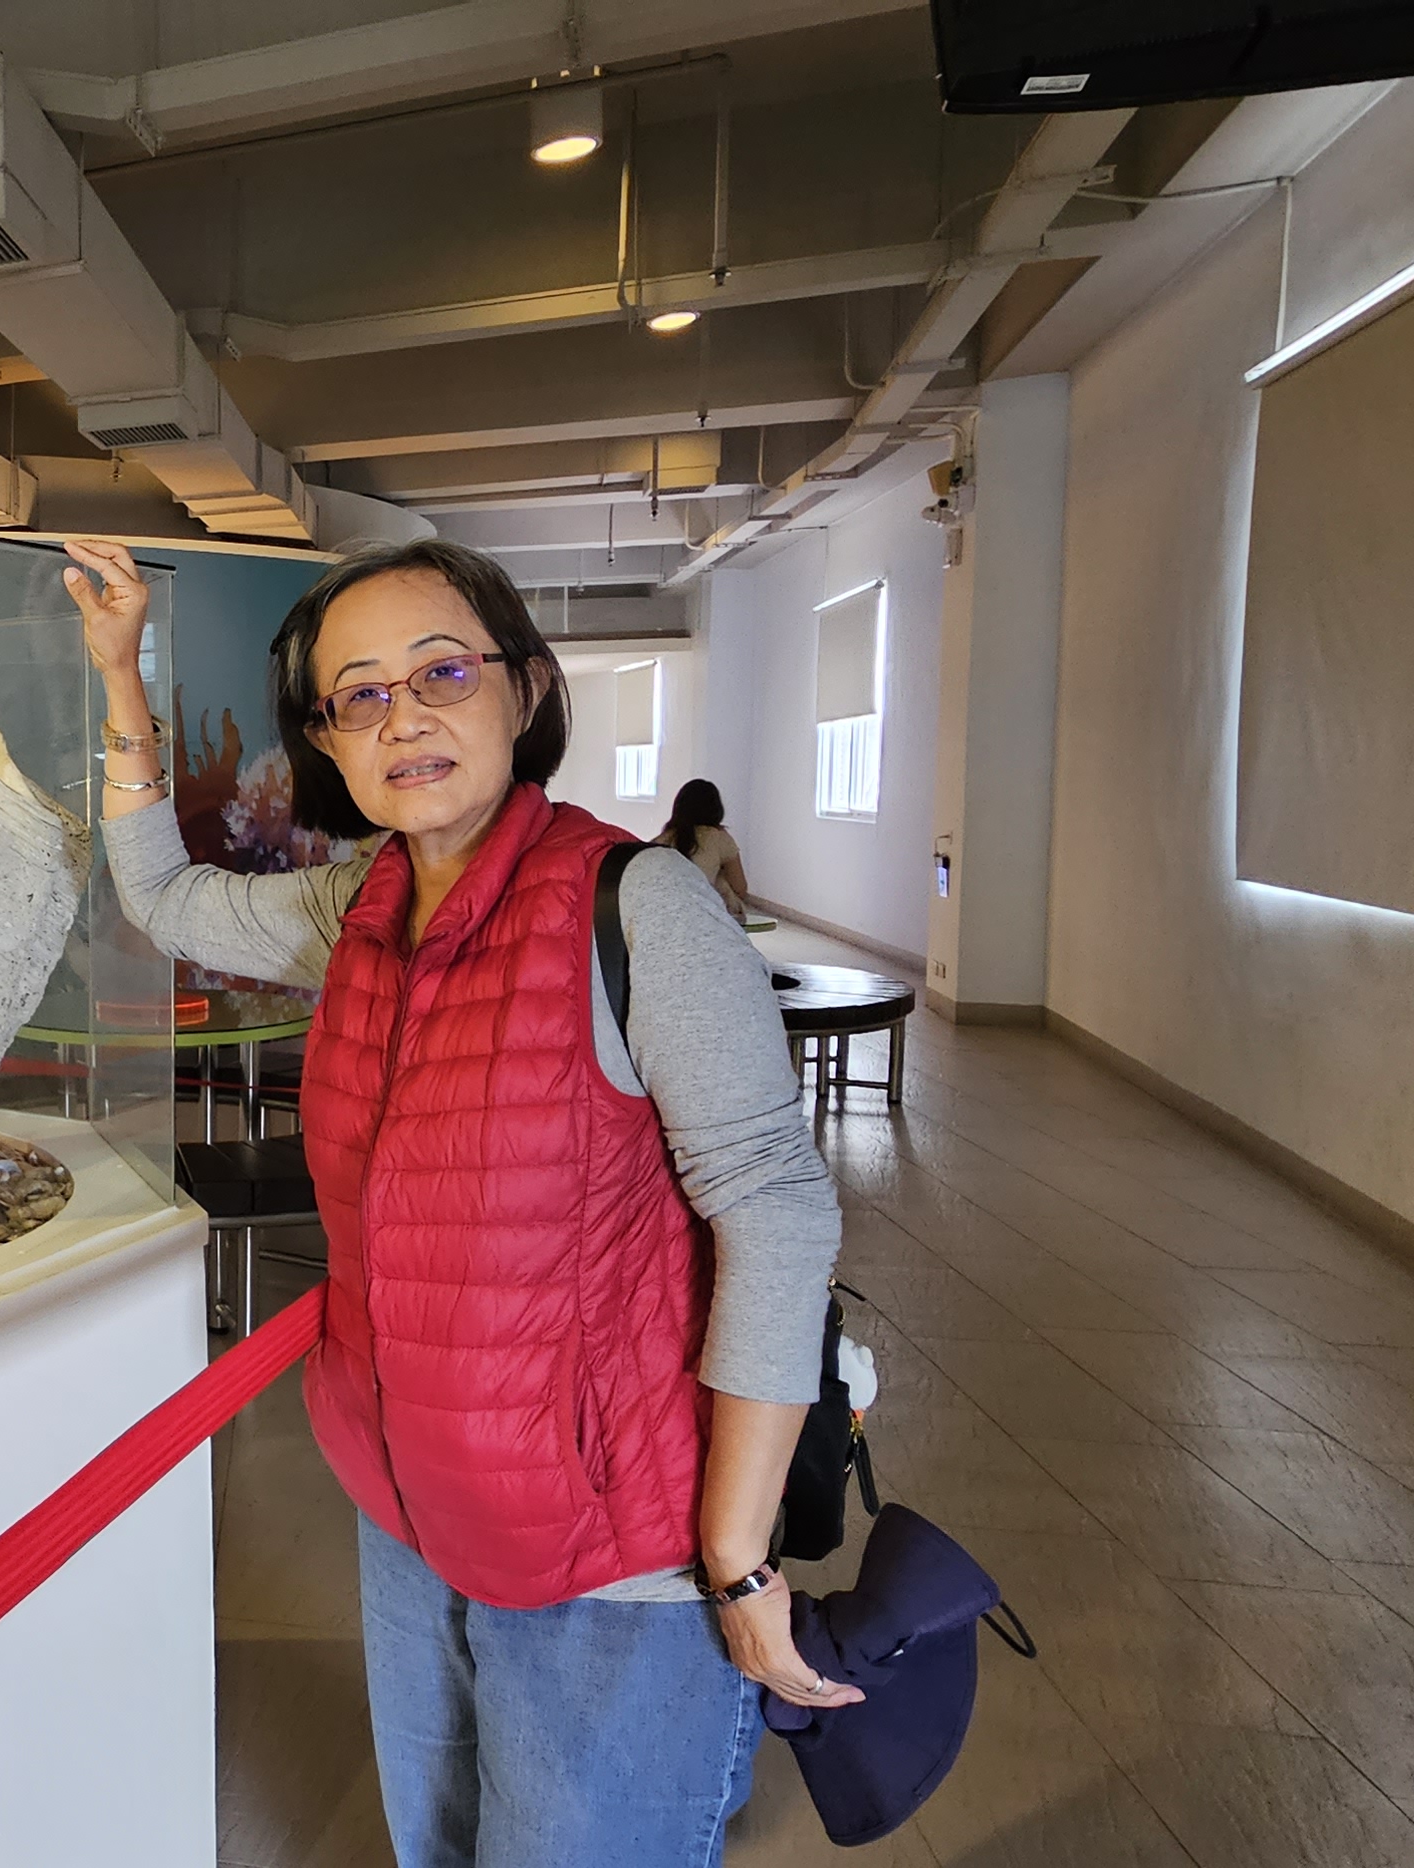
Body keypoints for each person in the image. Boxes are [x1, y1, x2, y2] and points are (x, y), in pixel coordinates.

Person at [63, 537, 853, 1867]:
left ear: (526, 688)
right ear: (327, 739)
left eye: (442, 672)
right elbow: (164, 897)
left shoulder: (635, 905)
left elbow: (774, 1210)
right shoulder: (358, 904)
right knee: (436, 1844)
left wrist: (736, 1550)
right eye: (358, 695)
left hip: (612, 1548)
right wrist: (118, 672)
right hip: (408, 1508)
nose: (403, 718)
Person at [657, 778, 754, 920]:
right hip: (704, 915)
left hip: (663, 912)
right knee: (721, 881)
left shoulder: (661, 840)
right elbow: (740, 889)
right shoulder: (719, 838)